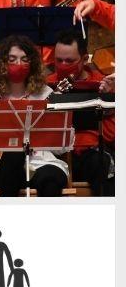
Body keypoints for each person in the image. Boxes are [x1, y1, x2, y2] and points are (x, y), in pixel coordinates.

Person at [0, 34, 68, 196]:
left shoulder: (46, 93)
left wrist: (56, 118)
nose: (18, 64)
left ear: (32, 63)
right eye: (12, 59)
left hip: (41, 162)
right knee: (14, 154)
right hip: (2, 166)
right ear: (2, 63)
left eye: (24, 59)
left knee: (51, 180)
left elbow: (62, 148)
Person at [47, 28, 115, 196]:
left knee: (102, 165)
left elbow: (112, 135)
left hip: (90, 153)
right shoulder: (46, 86)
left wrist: (108, 99)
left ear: (84, 59)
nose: (62, 66)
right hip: (55, 156)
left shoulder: (101, 83)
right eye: (58, 60)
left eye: (69, 61)